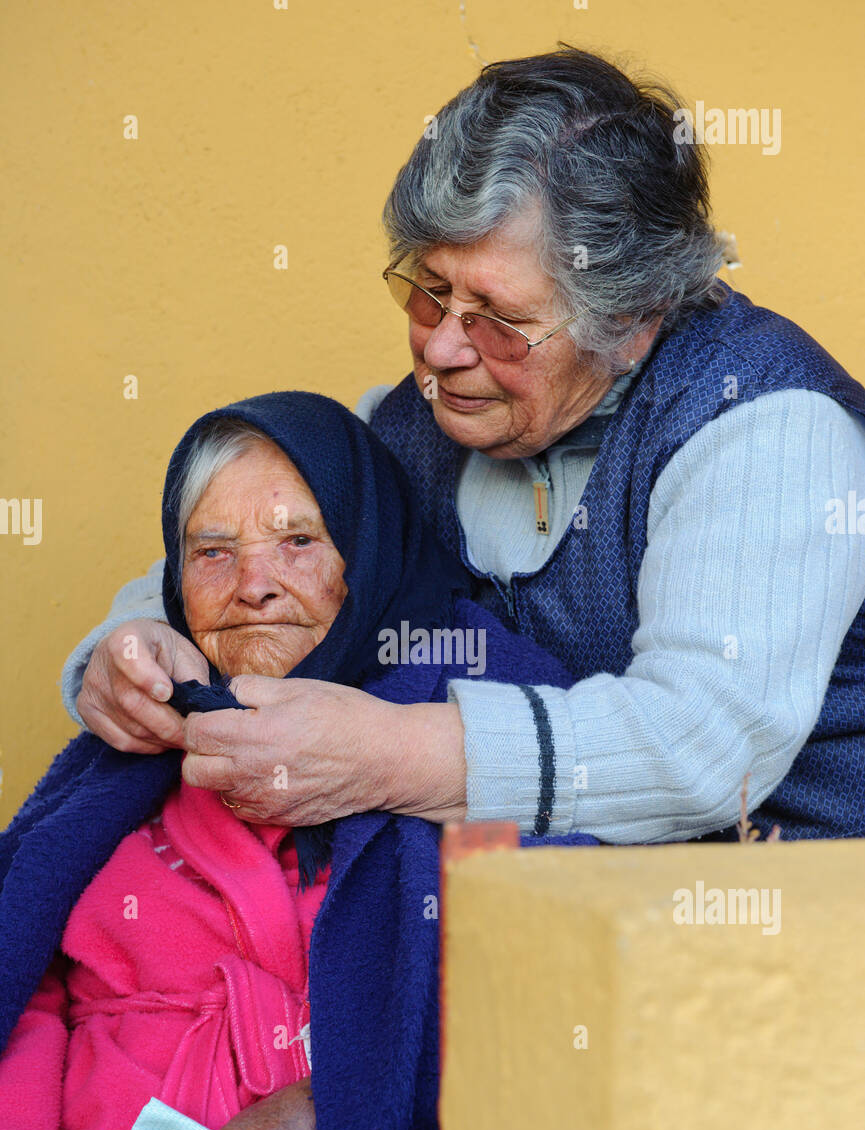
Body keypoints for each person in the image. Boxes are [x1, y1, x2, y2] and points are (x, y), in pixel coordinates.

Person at [62, 45, 865, 845]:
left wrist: (390, 753)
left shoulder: (765, 425)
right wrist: (130, 649)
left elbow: (699, 749)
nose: (443, 350)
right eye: (429, 290)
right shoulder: (411, 426)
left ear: (634, 317)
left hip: (797, 928)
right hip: (547, 930)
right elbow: (241, 557)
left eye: (498, 317)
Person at [0, 391, 596, 1130]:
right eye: (212, 551)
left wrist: (341, 1116)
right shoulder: (131, 749)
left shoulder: (469, 725)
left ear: (369, 551)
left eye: (299, 542)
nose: (253, 585)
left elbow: (558, 991)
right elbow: (23, 972)